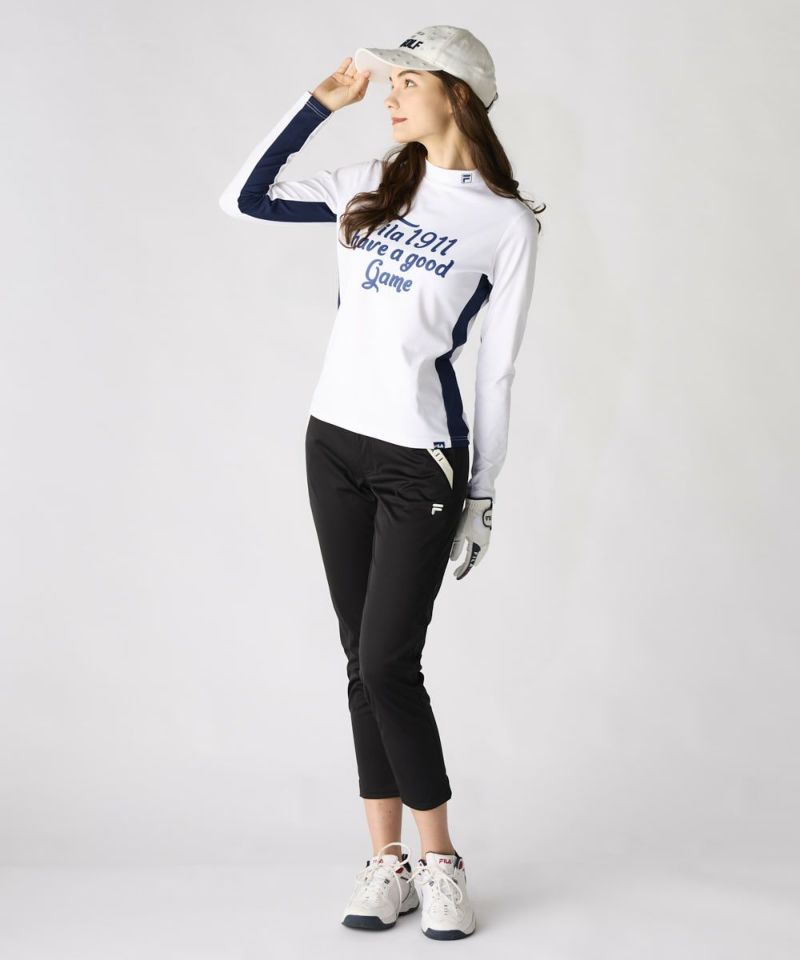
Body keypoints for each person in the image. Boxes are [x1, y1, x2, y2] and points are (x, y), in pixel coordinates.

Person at [218, 24, 545, 940]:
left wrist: (482, 491)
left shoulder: (505, 224)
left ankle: (441, 862)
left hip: (418, 461)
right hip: (332, 444)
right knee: (359, 659)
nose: (389, 94)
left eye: (407, 81)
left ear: (457, 95)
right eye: (388, 82)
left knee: (389, 661)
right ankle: (387, 863)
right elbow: (244, 198)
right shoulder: (369, 182)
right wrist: (317, 106)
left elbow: (496, 371)